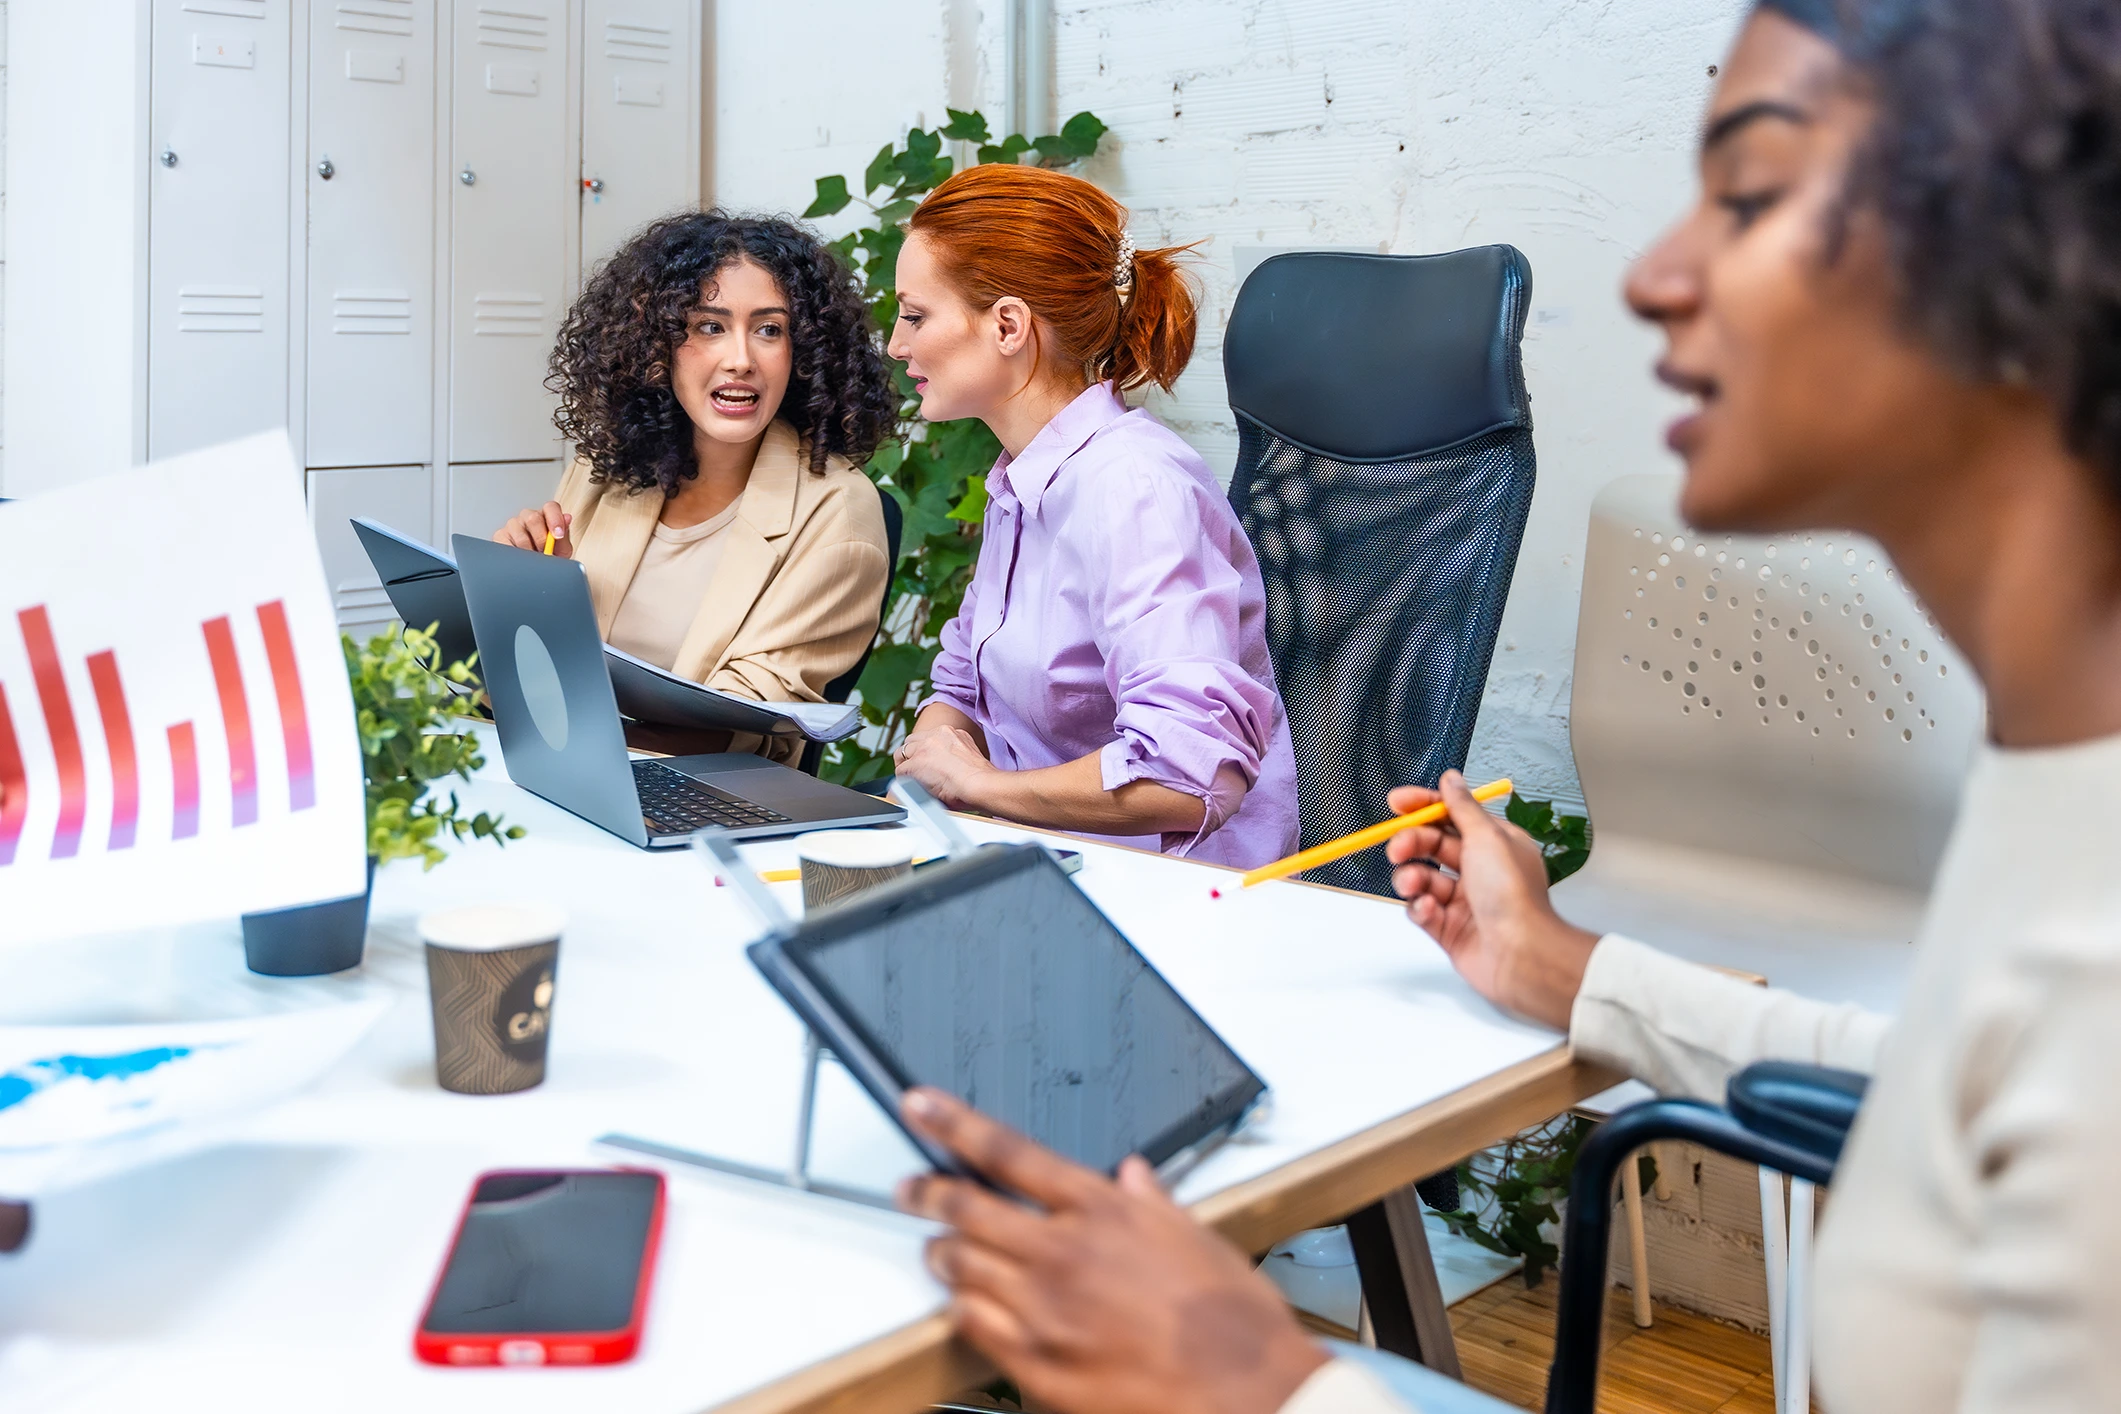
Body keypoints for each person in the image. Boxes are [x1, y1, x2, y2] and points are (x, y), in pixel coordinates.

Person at [889, 0, 2121, 1410]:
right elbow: (1937, 1087)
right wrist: (1567, 967)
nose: (1659, 271)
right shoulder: (2056, 798)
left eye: (1756, 194)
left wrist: (1266, 1380)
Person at [886, 164, 1300, 868]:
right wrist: (939, 746)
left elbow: (1188, 774)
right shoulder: (1026, 479)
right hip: (1034, 860)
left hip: (1159, 899)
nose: (897, 345)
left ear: (1008, 326)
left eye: (915, 315)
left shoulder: (1132, 491)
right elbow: (963, 676)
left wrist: (980, 782)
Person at [494, 212, 896, 763]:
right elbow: (531, 667)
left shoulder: (840, 513)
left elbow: (737, 727)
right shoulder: (604, 467)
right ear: (657, 345)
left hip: (705, 802)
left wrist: (563, 723)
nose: (740, 360)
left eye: (769, 329)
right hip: (562, 765)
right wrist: (529, 594)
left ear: (803, 353)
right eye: (710, 326)